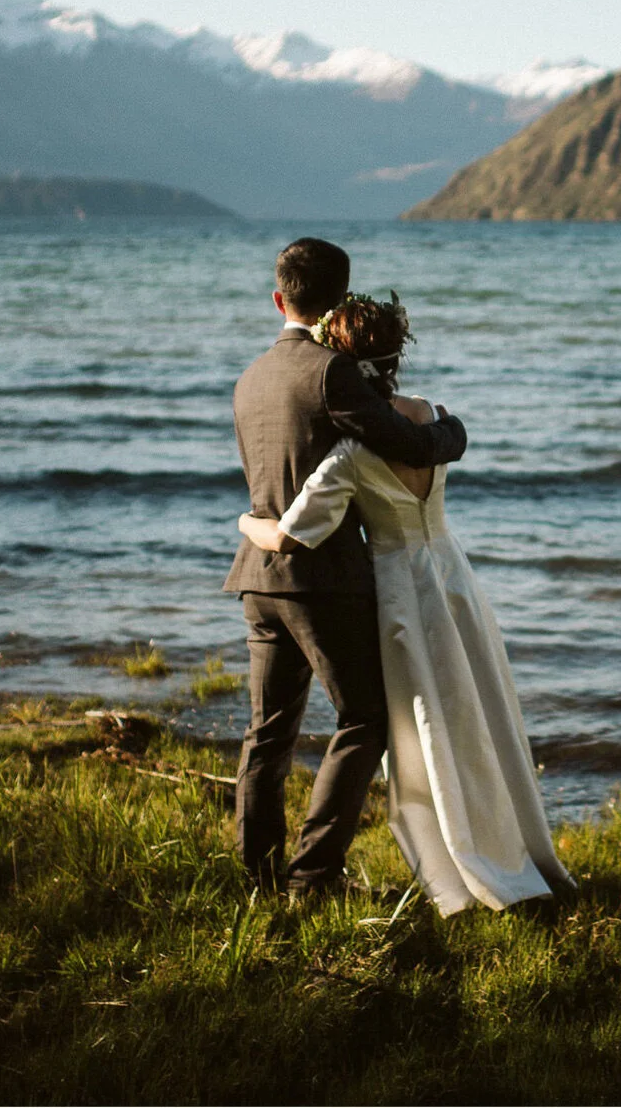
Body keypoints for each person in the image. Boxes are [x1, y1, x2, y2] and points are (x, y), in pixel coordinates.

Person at [239, 290, 572, 915]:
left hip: (393, 589)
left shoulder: (351, 451)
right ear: (396, 355)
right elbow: (443, 442)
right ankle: (509, 841)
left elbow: (290, 533)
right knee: (474, 709)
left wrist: (244, 524)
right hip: (450, 577)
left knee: (416, 727)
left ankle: (449, 860)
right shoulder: (434, 417)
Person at [225, 237, 468, 900]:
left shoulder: (249, 378)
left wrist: (252, 528)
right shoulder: (333, 372)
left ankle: (259, 877)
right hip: (322, 580)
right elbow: (408, 441)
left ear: (279, 298)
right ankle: (314, 877)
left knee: (268, 731)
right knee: (363, 718)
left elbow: (266, 486)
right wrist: (454, 429)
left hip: (258, 576)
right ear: (341, 302)